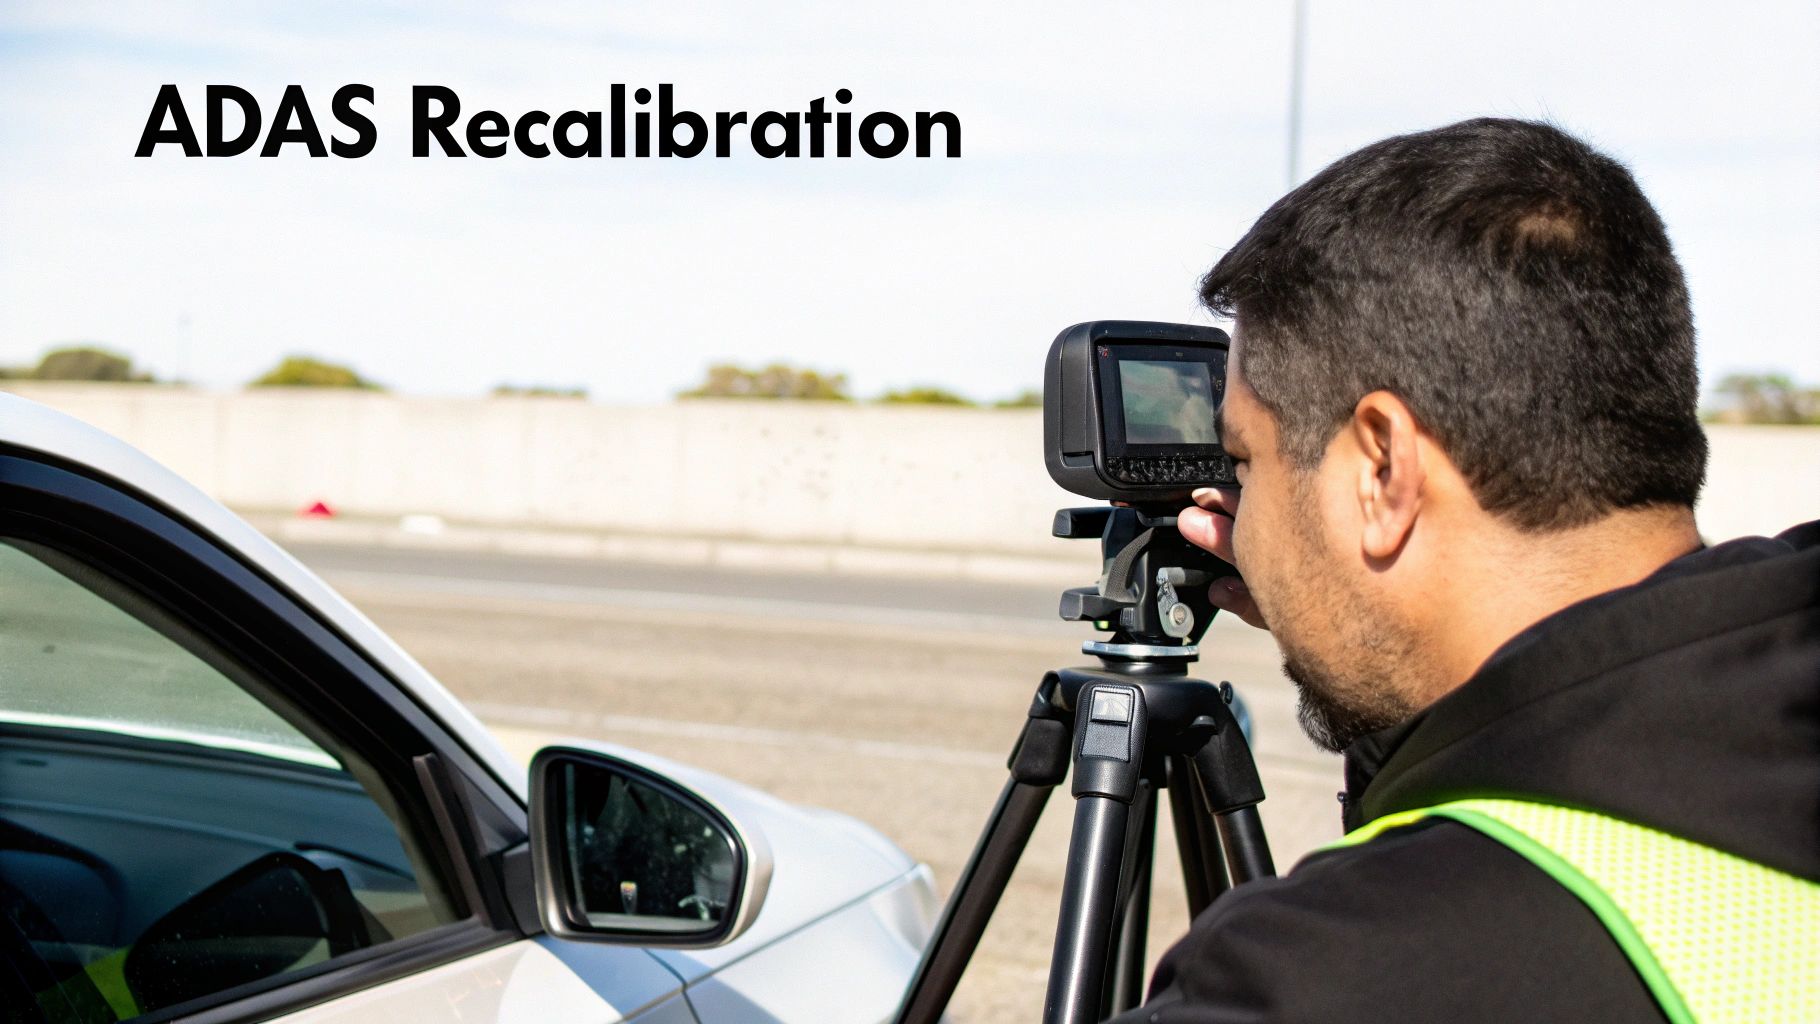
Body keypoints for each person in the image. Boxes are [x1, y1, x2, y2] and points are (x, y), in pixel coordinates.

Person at [1109, 118, 1819, 1023]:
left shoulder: (1321, 977)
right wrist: (1378, 630)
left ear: (1382, 469)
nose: (1243, 525)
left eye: (1246, 459)